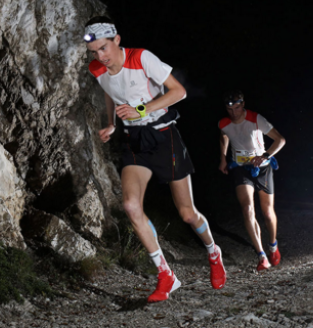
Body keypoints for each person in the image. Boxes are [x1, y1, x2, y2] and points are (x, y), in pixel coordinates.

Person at [84, 16, 226, 302]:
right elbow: (110, 93)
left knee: (187, 213)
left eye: (104, 48)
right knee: (130, 205)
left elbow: (179, 92)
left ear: (117, 40)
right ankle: (166, 275)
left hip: (164, 137)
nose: (101, 56)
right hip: (135, 141)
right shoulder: (96, 69)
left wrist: (140, 108)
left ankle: (213, 251)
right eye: (94, 51)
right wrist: (111, 123)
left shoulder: (142, 58)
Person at [218, 92, 286, 271]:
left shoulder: (256, 119)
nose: (234, 112)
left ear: (243, 104)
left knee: (267, 213)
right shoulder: (223, 123)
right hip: (241, 168)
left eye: (237, 108)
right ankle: (261, 255)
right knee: (247, 208)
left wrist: (265, 155)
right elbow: (224, 135)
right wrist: (223, 158)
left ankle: (273, 245)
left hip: (262, 167)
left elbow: (280, 140)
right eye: (229, 109)